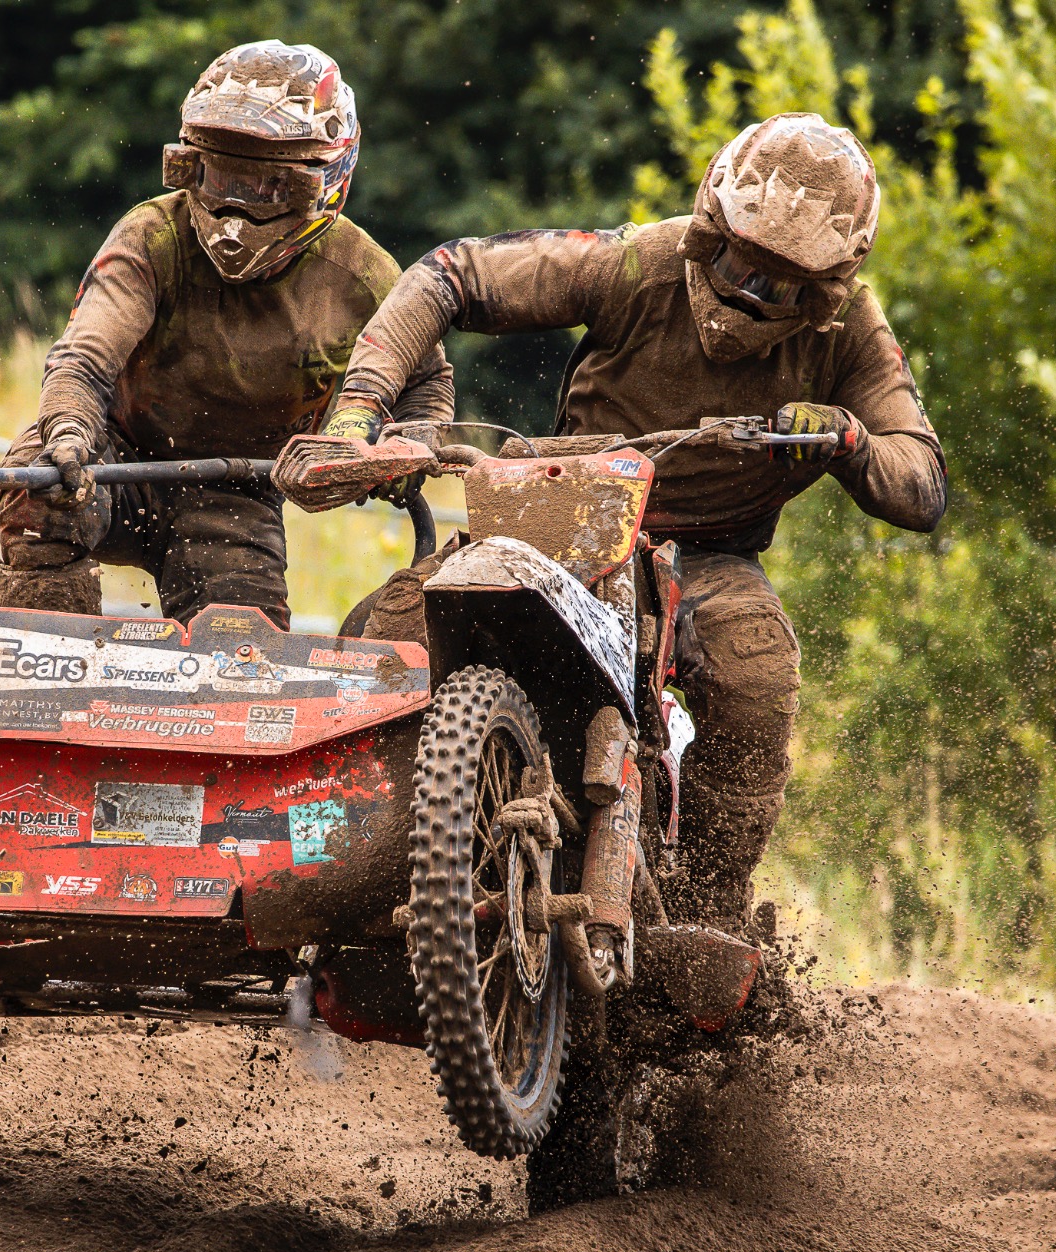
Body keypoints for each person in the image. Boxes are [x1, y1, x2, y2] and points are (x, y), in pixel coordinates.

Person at [325, 112, 947, 934]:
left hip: (710, 557)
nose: (746, 292)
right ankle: (355, 870)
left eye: (778, 285)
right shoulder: (637, 264)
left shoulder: (850, 332)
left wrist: (849, 439)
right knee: (396, 628)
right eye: (735, 262)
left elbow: (922, 478)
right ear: (708, 230)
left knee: (757, 676)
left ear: (826, 288)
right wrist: (361, 409)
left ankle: (709, 910)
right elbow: (452, 273)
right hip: (559, 515)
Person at [0, 40, 453, 628]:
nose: (235, 208)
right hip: (114, 462)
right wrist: (68, 430)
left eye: (264, 188)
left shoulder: (363, 276)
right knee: (38, 480)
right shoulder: (152, 237)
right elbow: (83, 358)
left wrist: (401, 448)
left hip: (235, 495)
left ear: (324, 180)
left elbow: (426, 382)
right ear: (187, 165)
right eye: (219, 178)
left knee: (241, 654)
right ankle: (48, 651)